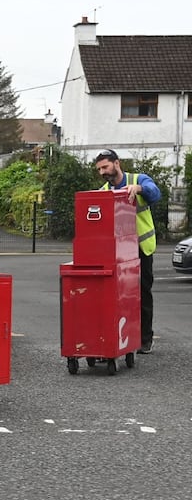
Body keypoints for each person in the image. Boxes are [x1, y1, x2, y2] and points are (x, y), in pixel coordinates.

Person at [94, 148, 160, 354]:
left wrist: (139, 188)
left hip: (141, 248)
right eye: (99, 169)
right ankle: (123, 337)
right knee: (119, 295)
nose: (103, 172)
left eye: (105, 167)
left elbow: (155, 194)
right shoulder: (103, 192)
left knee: (142, 293)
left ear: (117, 163)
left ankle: (145, 339)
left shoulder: (138, 179)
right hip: (118, 252)